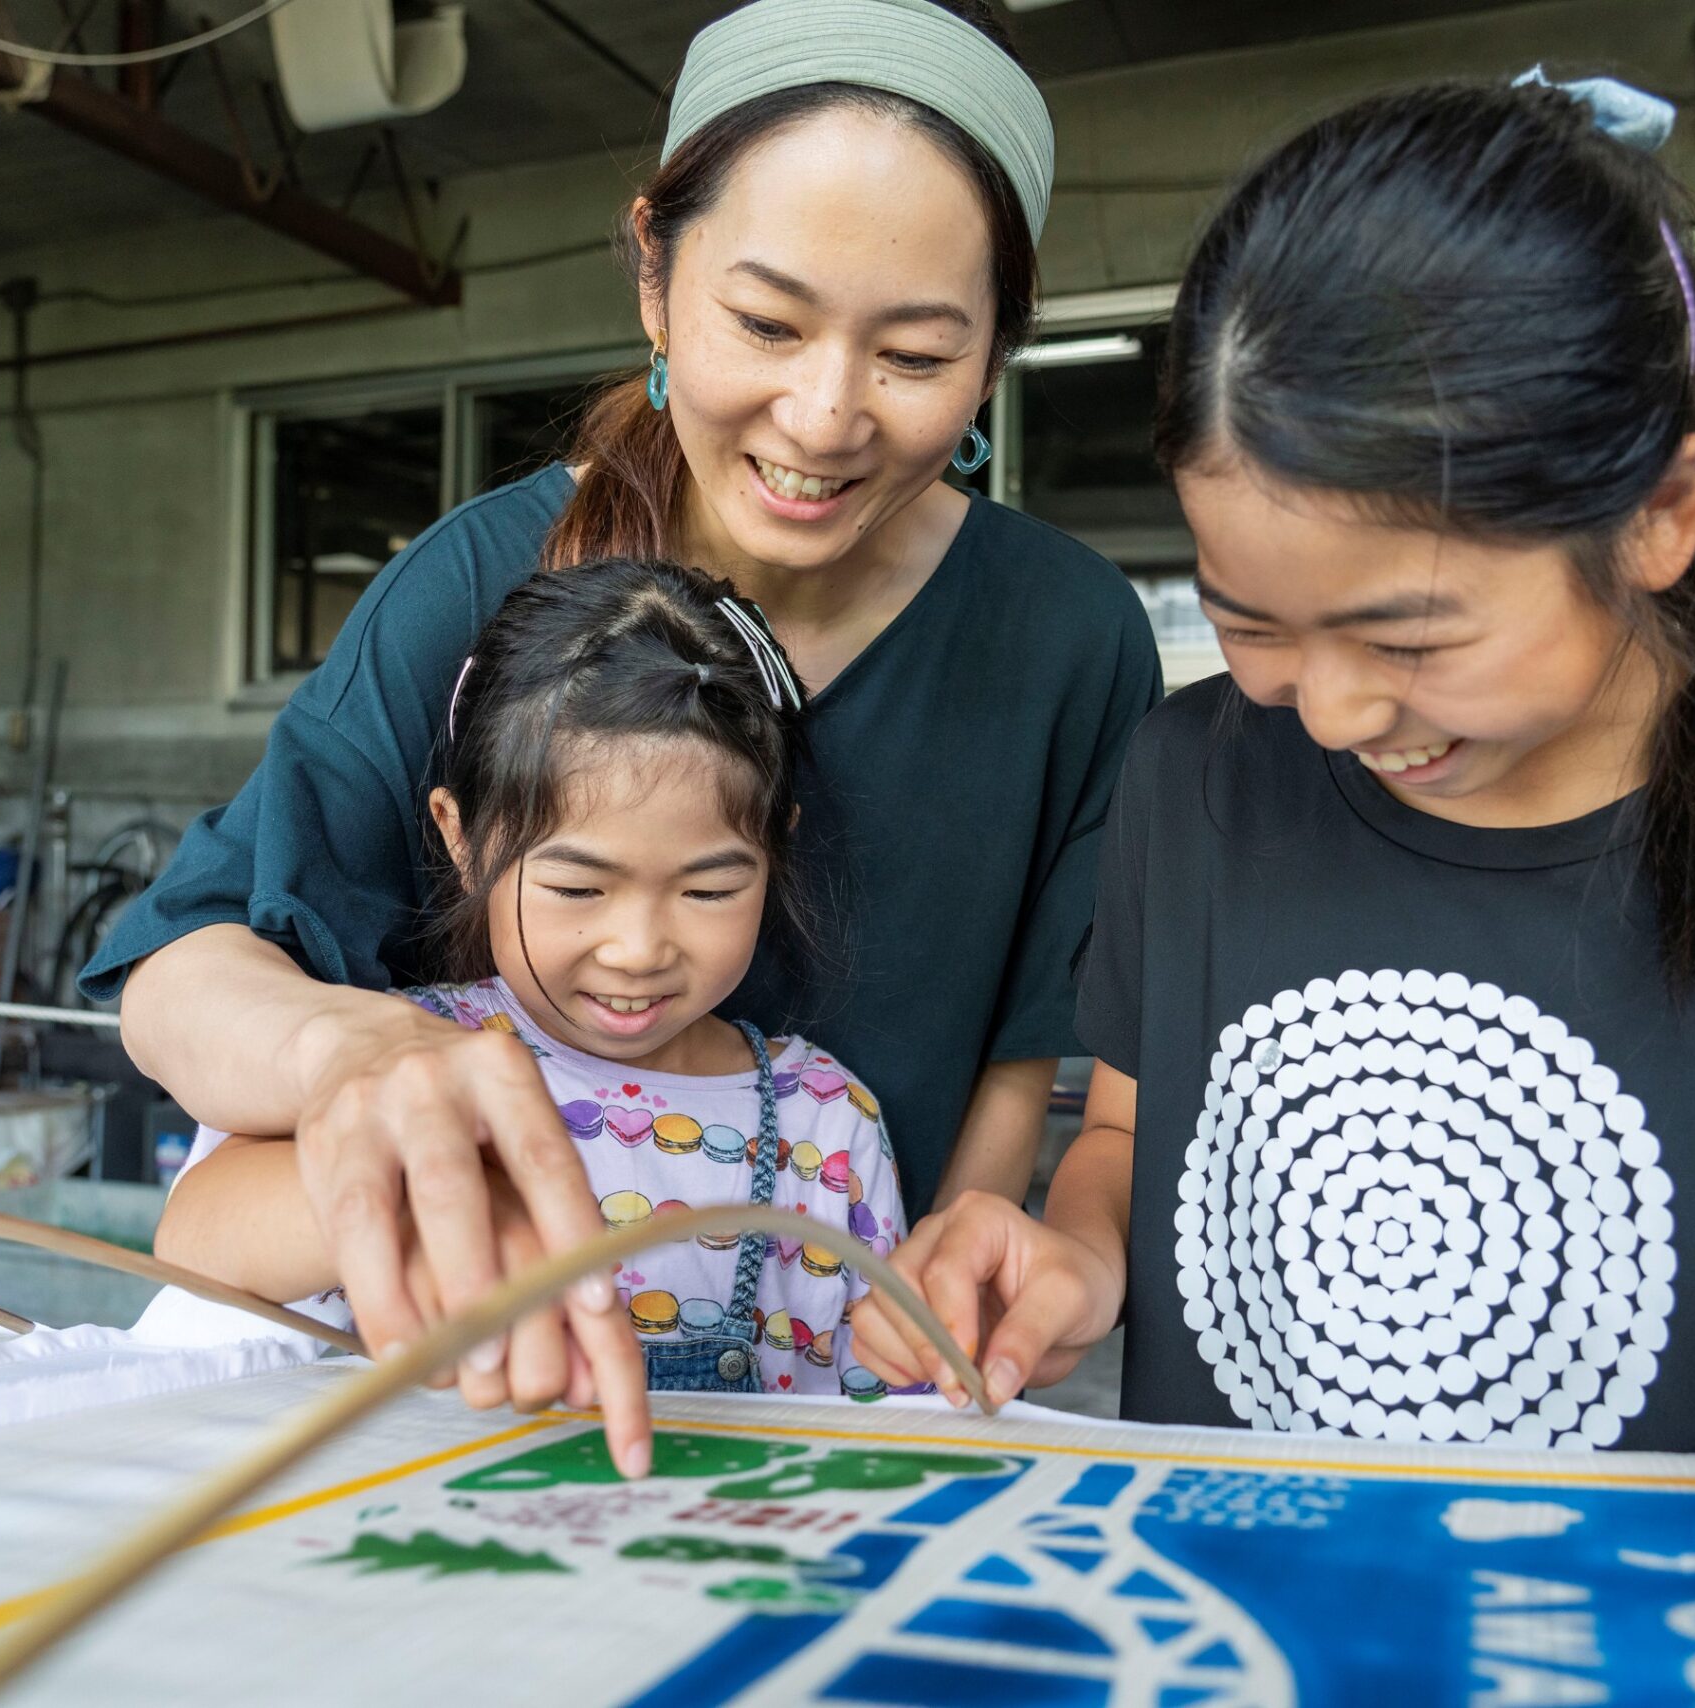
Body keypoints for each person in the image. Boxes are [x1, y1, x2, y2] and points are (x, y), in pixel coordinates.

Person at [854, 77, 1695, 1509]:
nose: (1331, 708)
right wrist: (1075, 1251)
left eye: (1408, 635)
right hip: (1232, 1617)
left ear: (1664, 513)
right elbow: (1127, 1135)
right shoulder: (1191, 777)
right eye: (1250, 621)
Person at [84, 0, 1158, 1459]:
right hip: (467, 1415)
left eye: (914, 354)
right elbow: (183, 965)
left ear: (995, 356)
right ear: (656, 274)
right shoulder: (475, 580)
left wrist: (947, 1264)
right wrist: (348, 1054)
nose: (827, 414)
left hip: (834, 1404)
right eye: (766, 324)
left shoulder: (1068, 637)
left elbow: (1025, 1055)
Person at [153, 559, 909, 1401]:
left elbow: (889, 1406)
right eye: (578, 888)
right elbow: (194, 1235)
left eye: (709, 890)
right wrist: (416, 1200)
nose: (636, 948)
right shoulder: (408, 1067)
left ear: (777, 849)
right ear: (462, 836)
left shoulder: (829, 1126)